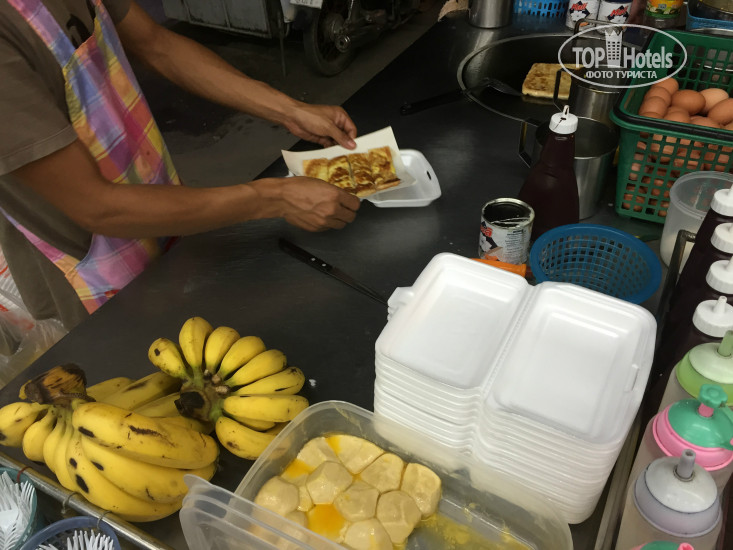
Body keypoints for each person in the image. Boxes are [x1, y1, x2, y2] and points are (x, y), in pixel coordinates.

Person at [0, 0, 362, 332]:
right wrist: (275, 198)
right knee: (140, 358)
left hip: (153, 194)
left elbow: (156, 44)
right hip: (92, 259)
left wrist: (290, 110)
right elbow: (97, 207)